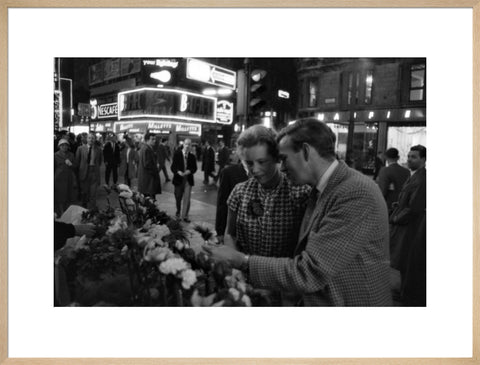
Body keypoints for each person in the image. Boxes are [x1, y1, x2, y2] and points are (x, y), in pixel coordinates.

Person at [205, 118, 392, 306]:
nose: (283, 168)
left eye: (283, 159)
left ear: (306, 151)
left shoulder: (354, 192)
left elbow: (311, 271)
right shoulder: (322, 189)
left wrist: (242, 261)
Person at [223, 125, 311, 259]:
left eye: (262, 162)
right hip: (245, 275)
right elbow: (230, 234)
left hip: (284, 275)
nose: (255, 170)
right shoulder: (239, 192)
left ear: (276, 158)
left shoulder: (301, 193)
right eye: (249, 163)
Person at [389, 145, 426, 305]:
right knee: (403, 260)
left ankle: (406, 293)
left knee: (407, 259)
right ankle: (403, 290)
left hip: (410, 227)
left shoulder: (422, 178)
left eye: (414, 157)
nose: (409, 159)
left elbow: (414, 208)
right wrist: (399, 204)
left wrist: (395, 218)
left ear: (423, 159)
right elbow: (408, 200)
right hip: (405, 224)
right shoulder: (414, 175)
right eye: (409, 156)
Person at [215, 145, 249, 239]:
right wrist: (220, 232)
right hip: (235, 232)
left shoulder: (264, 173)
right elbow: (222, 203)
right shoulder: (228, 172)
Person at [171, 139, 197, 222]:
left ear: (191, 146)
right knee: (178, 197)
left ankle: (185, 215)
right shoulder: (177, 154)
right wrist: (178, 171)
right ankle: (178, 212)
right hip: (178, 180)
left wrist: (189, 171)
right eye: (186, 144)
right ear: (183, 144)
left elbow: (194, 168)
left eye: (189, 144)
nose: (187, 146)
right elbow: (173, 167)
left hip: (188, 180)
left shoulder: (192, 156)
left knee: (187, 198)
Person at [377, 147, 410, 212]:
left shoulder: (385, 170)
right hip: (403, 204)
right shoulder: (406, 171)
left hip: (389, 205)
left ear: (386, 157)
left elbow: (382, 190)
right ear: (398, 157)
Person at [76, 133, 103, 209]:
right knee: (84, 193)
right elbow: (77, 162)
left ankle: (92, 211)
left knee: (93, 194)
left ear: (95, 140)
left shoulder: (99, 149)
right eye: (89, 138)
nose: (91, 139)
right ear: (86, 139)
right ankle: (84, 211)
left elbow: (100, 162)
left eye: (93, 138)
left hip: (94, 172)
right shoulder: (80, 149)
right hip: (84, 173)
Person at [54, 139, 77, 216]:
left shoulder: (71, 155)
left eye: (66, 145)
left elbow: (75, 167)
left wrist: (71, 164)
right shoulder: (55, 155)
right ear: (59, 146)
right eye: (62, 145)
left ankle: (67, 212)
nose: (64, 147)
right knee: (60, 196)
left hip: (69, 179)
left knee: (68, 196)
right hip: (59, 179)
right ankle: (61, 212)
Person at [138, 132, 162, 199]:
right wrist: (155, 170)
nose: (154, 141)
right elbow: (147, 165)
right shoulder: (146, 149)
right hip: (148, 181)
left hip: (146, 181)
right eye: (152, 139)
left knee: (147, 200)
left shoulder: (146, 148)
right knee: (150, 201)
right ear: (147, 140)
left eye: (155, 139)